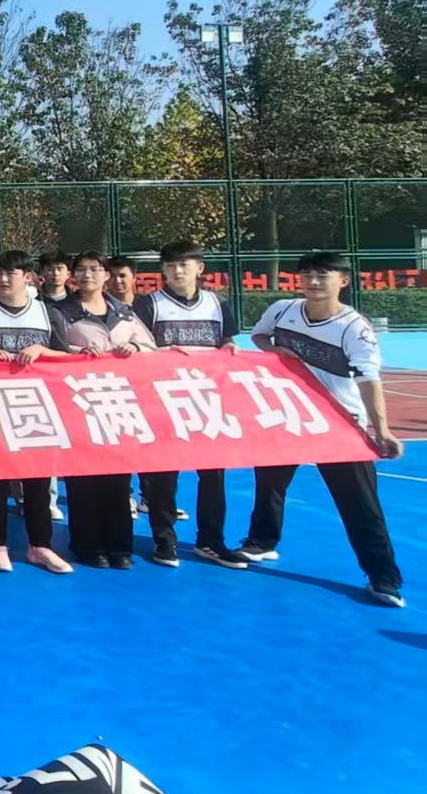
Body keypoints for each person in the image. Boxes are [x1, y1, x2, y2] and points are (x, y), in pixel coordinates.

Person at [242, 251, 405, 607]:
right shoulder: (282, 310)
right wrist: (278, 351)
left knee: (360, 503)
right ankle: (261, 542)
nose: (313, 282)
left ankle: (383, 576)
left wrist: (381, 430)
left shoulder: (354, 328)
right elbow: (259, 336)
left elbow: (368, 378)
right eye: (307, 275)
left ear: (342, 281)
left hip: (339, 423)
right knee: (269, 484)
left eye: (323, 275)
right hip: (290, 416)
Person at [130, 242, 247, 570]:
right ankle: (164, 540)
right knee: (163, 477)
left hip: (207, 403)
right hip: (163, 402)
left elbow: (227, 342)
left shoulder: (217, 304)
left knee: (213, 476)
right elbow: (136, 349)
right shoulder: (148, 305)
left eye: (184, 264)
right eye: (170, 265)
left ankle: (211, 541)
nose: (177, 270)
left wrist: (230, 348)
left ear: (200, 268)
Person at [0, 251, 74, 574]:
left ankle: (40, 546)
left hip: (35, 408)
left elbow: (67, 358)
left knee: (37, 482)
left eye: (11, 274)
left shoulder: (46, 313)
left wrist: (42, 350)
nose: (3, 280)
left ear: (27, 277)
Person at [58, 251, 157, 569]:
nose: (87, 275)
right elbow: (54, 352)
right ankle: (88, 546)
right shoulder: (60, 312)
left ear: (105, 275)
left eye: (94, 269)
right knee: (83, 480)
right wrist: (78, 353)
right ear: (73, 276)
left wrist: (135, 347)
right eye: (81, 270)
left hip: (117, 405)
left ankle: (120, 546)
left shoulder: (124, 313)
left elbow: (150, 347)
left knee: (117, 479)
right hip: (78, 405)